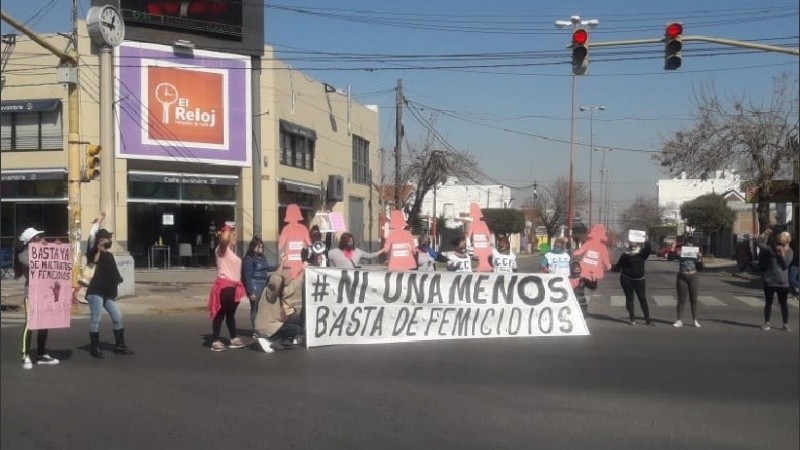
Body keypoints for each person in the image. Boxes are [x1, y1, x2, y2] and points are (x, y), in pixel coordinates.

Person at [85, 227, 133, 357]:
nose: (110, 240)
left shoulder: (110, 255)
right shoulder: (95, 253)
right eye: (108, 238)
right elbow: (91, 241)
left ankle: (120, 346)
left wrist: (119, 280)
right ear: (101, 240)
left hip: (108, 293)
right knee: (96, 319)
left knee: (118, 317)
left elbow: (115, 273)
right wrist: (98, 223)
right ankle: (95, 349)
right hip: (96, 292)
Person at [15, 228, 59, 369]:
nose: (41, 239)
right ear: (31, 241)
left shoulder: (41, 250)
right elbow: (37, 264)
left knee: (43, 324)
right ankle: (25, 355)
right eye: (38, 237)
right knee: (30, 324)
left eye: (41, 237)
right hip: (31, 293)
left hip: (44, 293)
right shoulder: (23, 255)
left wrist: (55, 248)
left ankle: (40, 354)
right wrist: (48, 249)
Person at [207, 222, 247, 351]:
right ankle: (215, 340)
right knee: (220, 313)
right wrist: (227, 228)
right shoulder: (221, 249)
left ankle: (233, 338)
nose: (236, 237)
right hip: (225, 286)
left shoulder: (231, 252)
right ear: (228, 235)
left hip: (234, 287)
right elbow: (223, 240)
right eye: (233, 235)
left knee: (230, 314)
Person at [254, 259, 305, 353]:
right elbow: (275, 280)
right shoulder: (270, 292)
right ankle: (270, 339)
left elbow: (293, 286)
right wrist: (281, 265)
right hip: (267, 326)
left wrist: (303, 271)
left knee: (296, 320)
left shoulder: (279, 292)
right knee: (296, 329)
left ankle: (277, 341)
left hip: (273, 324)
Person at [758, 231, 793, 331]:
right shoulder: (771, 250)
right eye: (779, 242)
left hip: (782, 282)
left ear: (787, 242)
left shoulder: (790, 251)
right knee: (768, 303)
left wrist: (782, 254)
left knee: (783, 303)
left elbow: (785, 265)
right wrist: (764, 234)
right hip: (769, 281)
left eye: (783, 242)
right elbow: (759, 243)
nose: (780, 244)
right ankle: (766, 323)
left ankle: (785, 324)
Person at [613, 240, 654, 326]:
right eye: (631, 242)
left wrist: (646, 240)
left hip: (640, 280)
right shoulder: (625, 255)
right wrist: (609, 266)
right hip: (627, 279)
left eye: (634, 241)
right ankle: (632, 319)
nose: (632, 243)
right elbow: (618, 267)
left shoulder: (642, 253)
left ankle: (648, 320)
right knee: (629, 298)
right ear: (629, 244)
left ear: (637, 243)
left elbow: (648, 249)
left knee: (642, 298)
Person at [242, 236, 276, 334]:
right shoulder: (249, 259)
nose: (261, 249)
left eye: (262, 247)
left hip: (263, 284)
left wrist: (280, 265)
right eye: (259, 247)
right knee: (255, 308)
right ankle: (256, 330)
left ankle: (262, 328)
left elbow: (266, 268)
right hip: (255, 285)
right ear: (253, 247)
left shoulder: (262, 257)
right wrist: (251, 291)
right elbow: (247, 276)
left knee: (261, 308)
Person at [674, 239, 703, 328]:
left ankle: (695, 320)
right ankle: (679, 320)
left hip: (694, 277)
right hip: (682, 277)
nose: (689, 247)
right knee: (681, 299)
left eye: (691, 245)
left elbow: (700, 268)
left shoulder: (697, 254)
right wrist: (676, 253)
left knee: (694, 299)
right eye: (687, 245)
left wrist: (700, 259)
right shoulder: (681, 252)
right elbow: (671, 256)